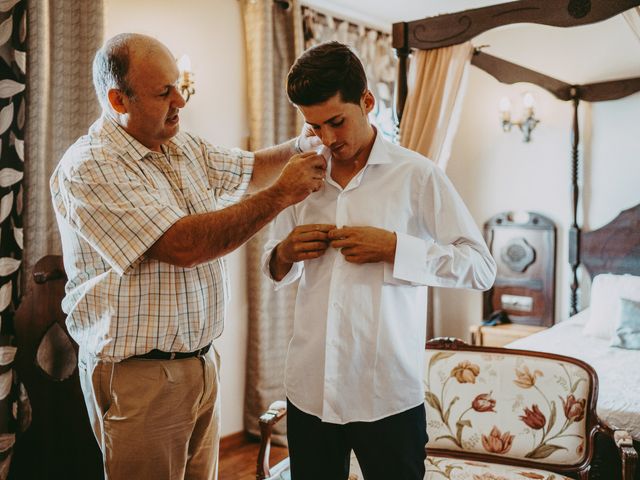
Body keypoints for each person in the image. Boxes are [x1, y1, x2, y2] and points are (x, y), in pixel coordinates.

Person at [50, 33, 326, 480]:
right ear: (119, 100)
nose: (181, 99)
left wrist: (302, 145)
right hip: (138, 378)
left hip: (200, 365)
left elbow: (249, 167)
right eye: (164, 92)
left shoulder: (180, 145)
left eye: (178, 85)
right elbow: (184, 245)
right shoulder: (90, 167)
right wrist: (282, 195)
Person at [262, 41, 497, 480]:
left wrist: (394, 248)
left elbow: (481, 268)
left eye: (337, 121)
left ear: (367, 102)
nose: (329, 140)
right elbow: (275, 266)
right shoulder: (301, 178)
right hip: (310, 390)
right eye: (315, 127)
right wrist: (285, 252)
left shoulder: (418, 175)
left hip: (385, 393)